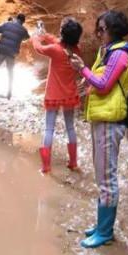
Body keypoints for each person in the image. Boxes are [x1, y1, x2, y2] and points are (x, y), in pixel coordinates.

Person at [69, 10, 128, 248]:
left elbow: (103, 85)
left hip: (111, 121)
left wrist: (82, 69)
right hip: (102, 119)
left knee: (107, 178)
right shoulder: (107, 53)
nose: (99, 34)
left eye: (102, 29)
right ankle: (101, 225)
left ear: (113, 30)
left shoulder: (119, 54)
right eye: (98, 29)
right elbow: (98, 83)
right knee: (101, 175)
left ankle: (105, 232)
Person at [31, 18, 83, 173]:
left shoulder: (54, 50)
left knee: (49, 129)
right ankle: (73, 162)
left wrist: (36, 36)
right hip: (69, 94)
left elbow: (38, 47)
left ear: (62, 33)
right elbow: (58, 41)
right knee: (70, 128)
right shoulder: (77, 50)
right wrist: (45, 33)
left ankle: (46, 166)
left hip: (53, 94)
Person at [0, 13, 30, 99]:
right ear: (23, 21)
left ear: (16, 18)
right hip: (12, 53)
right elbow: (27, 38)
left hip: (2, 50)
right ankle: (9, 93)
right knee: (10, 72)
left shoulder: (7, 24)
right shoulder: (23, 30)